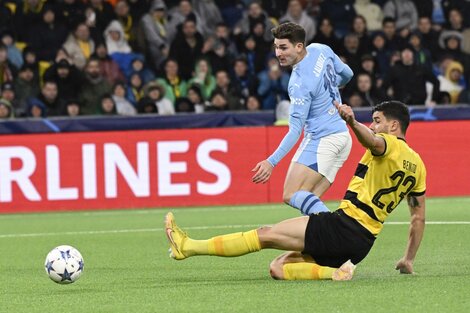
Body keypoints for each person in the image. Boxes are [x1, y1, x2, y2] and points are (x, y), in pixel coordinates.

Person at [165, 100, 427, 281]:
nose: (373, 126)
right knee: (278, 268)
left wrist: (351, 121)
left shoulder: (388, 143)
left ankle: (188, 247)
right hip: (362, 244)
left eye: (378, 121)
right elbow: (418, 218)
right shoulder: (418, 166)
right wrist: (408, 259)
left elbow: (372, 141)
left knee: (265, 235)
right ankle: (335, 272)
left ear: (394, 126)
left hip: (343, 226)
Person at [252, 22, 353, 215]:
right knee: (308, 202)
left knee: (290, 194)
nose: (278, 54)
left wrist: (271, 162)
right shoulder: (321, 49)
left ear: (298, 46)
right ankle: (318, 244)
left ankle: (336, 232)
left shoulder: (298, 83)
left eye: (283, 47)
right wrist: (331, 87)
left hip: (322, 139)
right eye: (276, 47)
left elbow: (295, 131)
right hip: (342, 136)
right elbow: (348, 74)